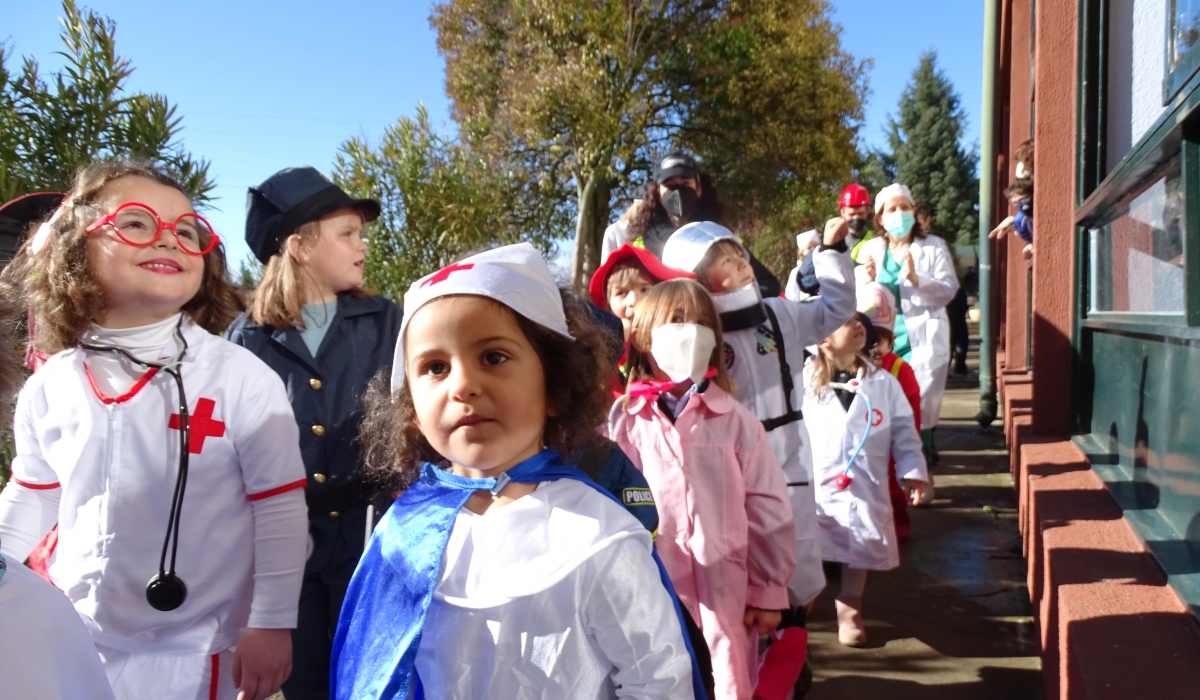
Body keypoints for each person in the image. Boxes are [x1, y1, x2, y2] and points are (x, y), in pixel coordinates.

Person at [0, 157, 308, 700]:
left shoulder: (240, 377)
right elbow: (33, 492)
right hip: (77, 641)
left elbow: (278, 507)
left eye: (186, 231)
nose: (167, 240)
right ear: (75, 247)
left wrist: (273, 622)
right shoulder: (51, 386)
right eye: (137, 223)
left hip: (202, 653)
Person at [333, 244, 700, 699]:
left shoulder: (599, 535)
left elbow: (659, 681)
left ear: (556, 387)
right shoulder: (401, 533)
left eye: (493, 357)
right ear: (412, 412)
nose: (463, 385)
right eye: (434, 367)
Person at [224, 166, 402, 700]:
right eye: (346, 233)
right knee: (303, 682)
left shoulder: (387, 321)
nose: (362, 245)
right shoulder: (246, 339)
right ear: (300, 246)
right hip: (284, 553)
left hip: (370, 540)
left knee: (372, 678)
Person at [610, 278, 797, 700]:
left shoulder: (738, 423)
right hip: (649, 592)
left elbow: (769, 508)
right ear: (642, 336)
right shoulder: (622, 423)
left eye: (701, 322)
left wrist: (768, 590)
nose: (690, 332)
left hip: (725, 593)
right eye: (676, 320)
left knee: (727, 680)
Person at [805, 315, 928, 647]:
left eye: (860, 320)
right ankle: (806, 595)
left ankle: (850, 605)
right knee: (810, 543)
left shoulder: (883, 382)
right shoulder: (803, 381)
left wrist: (912, 470)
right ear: (821, 338)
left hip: (863, 481)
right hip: (815, 483)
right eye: (846, 322)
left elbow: (904, 430)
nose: (859, 325)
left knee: (858, 544)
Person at [858, 183, 960, 466]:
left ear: (914, 212)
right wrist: (864, 279)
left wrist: (917, 279)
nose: (900, 213)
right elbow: (858, 299)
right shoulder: (870, 249)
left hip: (923, 335)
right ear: (880, 218)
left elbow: (949, 288)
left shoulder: (933, 246)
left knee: (919, 403)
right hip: (882, 336)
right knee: (884, 398)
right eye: (892, 209)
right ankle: (889, 466)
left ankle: (921, 467)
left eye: (905, 207)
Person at [602, 152, 781, 297]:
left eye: (685, 183)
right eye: (670, 184)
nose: (678, 191)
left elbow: (768, 285)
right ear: (657, 192)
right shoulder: (636, 238)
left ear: (699, 188)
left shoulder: (716, 235)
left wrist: (723, 308)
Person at [858, 283, 927, 541]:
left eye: (880, 340)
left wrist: (910, 457)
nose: (873, 346)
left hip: (889, 440)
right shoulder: (851, 367)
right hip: (864, 438)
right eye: (867, 338)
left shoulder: (900, 370)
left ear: (892, 340)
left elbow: (911, 414)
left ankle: (897, 528)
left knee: (891, 490)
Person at [791, 184, 876, 298]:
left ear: (867, 211)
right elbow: (807, 281)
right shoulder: (832, 242)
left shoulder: (876, 240)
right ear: (842, 213)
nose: (856, 218)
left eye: (860, 213)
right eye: (851, 214)